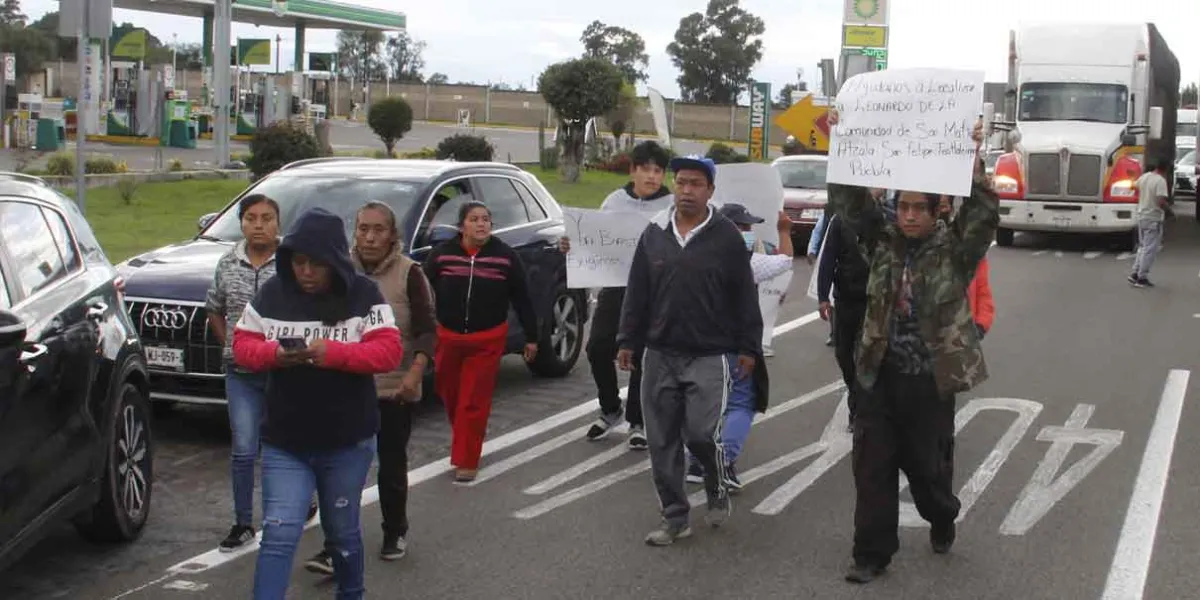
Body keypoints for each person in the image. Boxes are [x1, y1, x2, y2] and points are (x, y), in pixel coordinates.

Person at [825, 108, 997, 584]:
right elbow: (851, 204)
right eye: (903, 207)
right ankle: (871, 553)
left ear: (937, 208)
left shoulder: (955, 250)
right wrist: (844, 143)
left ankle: (942, 515)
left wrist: (975, 156)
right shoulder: (882, 243)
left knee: (927, 471)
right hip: (879, 375)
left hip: (930, 381)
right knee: (872, 464)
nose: (909, 215)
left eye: (919, 208)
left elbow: (983, 215)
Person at [232, 207, 404, 600]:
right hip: (285, 440)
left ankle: (351, 592)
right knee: (279, 530)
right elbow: (242, 345)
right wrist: (276, 354)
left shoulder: (363, 293)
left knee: (342, 530)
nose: (306, 272)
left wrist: (334, 354)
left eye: (316, 264)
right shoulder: (273, 292)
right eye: (299, 262)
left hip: (346, 440)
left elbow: (388, 352)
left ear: (335, 262)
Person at [617, 155, 762, 546]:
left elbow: (745, 296)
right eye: (680, 182)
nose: (686, 190)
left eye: (695, 184)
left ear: (710, 191)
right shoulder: (655, 232)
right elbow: (638, 290)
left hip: (709, 353)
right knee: (661, 440)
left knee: (700, 434)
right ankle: (675, 517)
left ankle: (715, 479)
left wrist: (749, 347)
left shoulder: (727, 237)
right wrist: (627, 339)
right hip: (660, 353)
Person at [303, 202, 437, 574]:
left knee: (391, 465)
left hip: (392, 390)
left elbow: (427, 329)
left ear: (392, 235)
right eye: (363, 229)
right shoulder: (336, 273)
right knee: (339, 472)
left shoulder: (410, 274)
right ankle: (335, 547)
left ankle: (395, 530)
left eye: (378, 229)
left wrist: (415, 373)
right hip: (345, 388)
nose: (370, 236)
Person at [559, 141, 674, 449]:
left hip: (655, 293)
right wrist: (571, 246)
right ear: (633, 171)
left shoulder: (671, 206)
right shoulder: (614, 200)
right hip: (615, 287)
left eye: (658, 171)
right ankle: (611, 409)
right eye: (645, 169)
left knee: (641, 354)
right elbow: (593, 238)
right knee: (597, 348)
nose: (652, 177)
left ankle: (638, 421)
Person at [205, 193, 297, 552]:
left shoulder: (291, 264)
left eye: (267, 218)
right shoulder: (228, 263)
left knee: (286, 445)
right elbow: (214, 306)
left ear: (278, 223)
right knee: (244, 449)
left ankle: (292, 506)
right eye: (251, 218)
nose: (258, 225)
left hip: (284, 373)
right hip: (241, 373)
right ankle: (243, 521)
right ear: (242, 223)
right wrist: (229, 343)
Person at [424, 200, 539, 482]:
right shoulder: (441, 256)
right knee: (450, 394)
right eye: (474, 219)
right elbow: (422, 294)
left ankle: (467, 458)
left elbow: (523, 298)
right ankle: (465, 437)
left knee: (473, 400)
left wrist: (532, 337)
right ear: (462, 225)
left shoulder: (505, 257)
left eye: (486, 219)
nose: (481, 224)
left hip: (487, 339)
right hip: (448, 337)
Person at [685, 203, 793, 492]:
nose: (747, 232)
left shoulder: (693, 254)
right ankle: (723, 461)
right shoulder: (747, 262)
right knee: (740, 403)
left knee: (704, 403)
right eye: (742, 227)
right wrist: (784, 231)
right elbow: (785, 260)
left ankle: (696, 461)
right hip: (735, 345)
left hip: (698, 344)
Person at [815, 207, 872, 430]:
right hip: (845, 299)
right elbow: (828, 257)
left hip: (874, 301)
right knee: (844, 354)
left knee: (866, 356)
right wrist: (822, 296)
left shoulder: (884, 218)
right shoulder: (840, 220)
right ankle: (856, 393)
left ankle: (859, 410)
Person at [940, 196, 995, 338]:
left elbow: (983, 293)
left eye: (943, 207)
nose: (940, 212)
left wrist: (981, 325)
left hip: (961, 340)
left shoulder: (971, 251)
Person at [1128, 158, 1170, 288]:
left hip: (1141, 216)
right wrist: (1170, 212)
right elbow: (1161, 201)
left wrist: (1132, 177)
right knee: (1150, 249)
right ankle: (1142, 277)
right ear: (1166, 169)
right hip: (1153, 218)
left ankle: (1135, 273)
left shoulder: (1145, 177)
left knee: (1142, 247)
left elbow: (1132, 186)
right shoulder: (1160, 181)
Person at [807, 209, 835, 346]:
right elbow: (817, 232)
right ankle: (834, 332)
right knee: (831, 298)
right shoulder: (829, 213)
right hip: (831, 259)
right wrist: (812, 250)